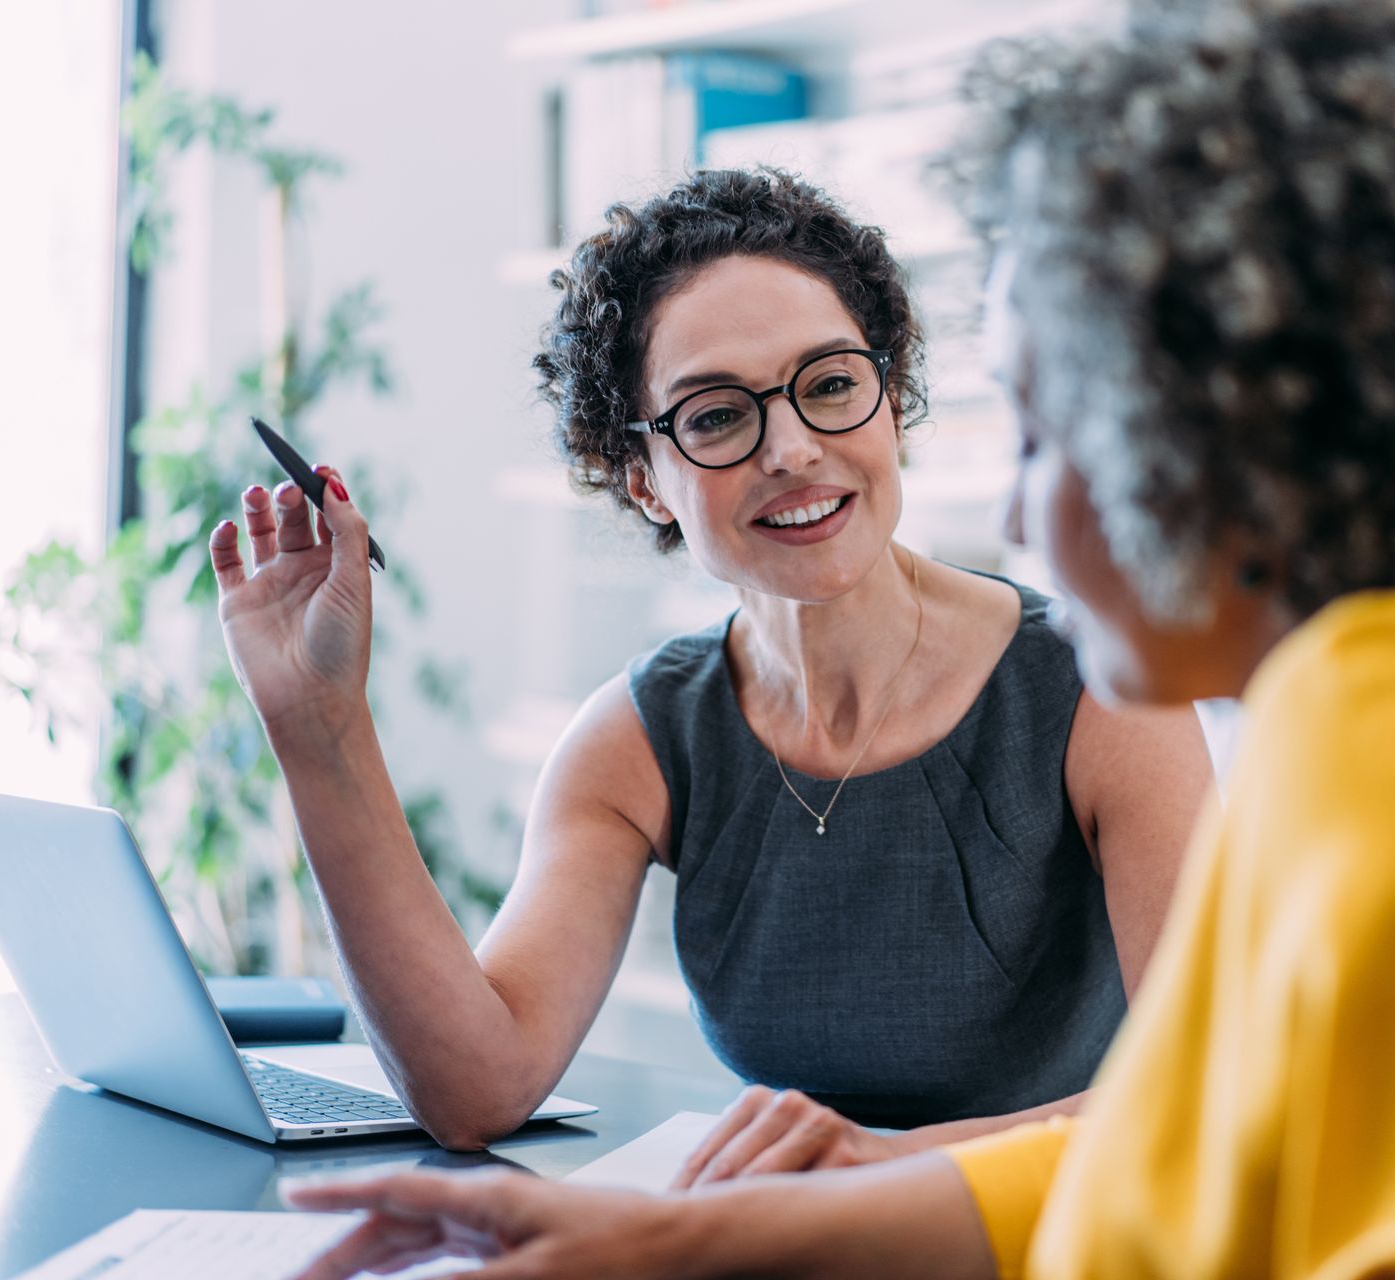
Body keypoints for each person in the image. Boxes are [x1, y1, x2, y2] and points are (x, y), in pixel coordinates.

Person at [283, 2, 1395, 1277]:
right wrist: (708, 1245)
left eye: (1043, 433)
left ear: (1226, 425)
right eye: (718, 418)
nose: (1021, 527)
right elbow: (1205, 1151)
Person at [207, 168, 1211, 1168]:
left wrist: (877, 1168)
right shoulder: (638, 739)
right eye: (717, 415)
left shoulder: (1103, 691)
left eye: (830, 385)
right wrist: (318, 722)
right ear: (642, 479)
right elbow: (476, 1085)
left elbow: (1212, 1089)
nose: (792, 448)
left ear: (892, 404)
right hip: (785, 1240)